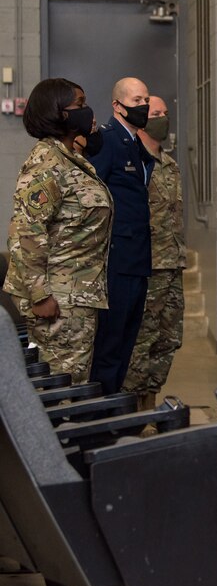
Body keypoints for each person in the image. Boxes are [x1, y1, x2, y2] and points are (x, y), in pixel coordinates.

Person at [3, 78, 112, 383]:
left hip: (76, 295)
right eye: (79, 104)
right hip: (58, 299)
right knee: (63, 385)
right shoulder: (47, 163)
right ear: (58, 113)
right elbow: (26, 233)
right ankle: (57, 432)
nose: (86, 109)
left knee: (71, 381)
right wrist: (40, 296)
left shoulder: (71, 160)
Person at [88, 76, 156, 394]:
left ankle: (113, 408)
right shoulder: (107, 140)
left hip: (137, 258)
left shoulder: (135, 142)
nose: (143, 106)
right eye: (136, 101)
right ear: (117, 105)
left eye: (145, 100)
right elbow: (91, 195)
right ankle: (100, 418)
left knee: (127, 341)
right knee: (111, 344)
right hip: (117, 259)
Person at [122, 96, 185, 410]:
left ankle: (151, 403)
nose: (163, 118)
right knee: (140, 342)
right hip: (146, 267)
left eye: (166, 113)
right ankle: (135, 412)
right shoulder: (132, 162)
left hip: (172, 265)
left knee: (168, 339)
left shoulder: (170, 165)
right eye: (156, 113)